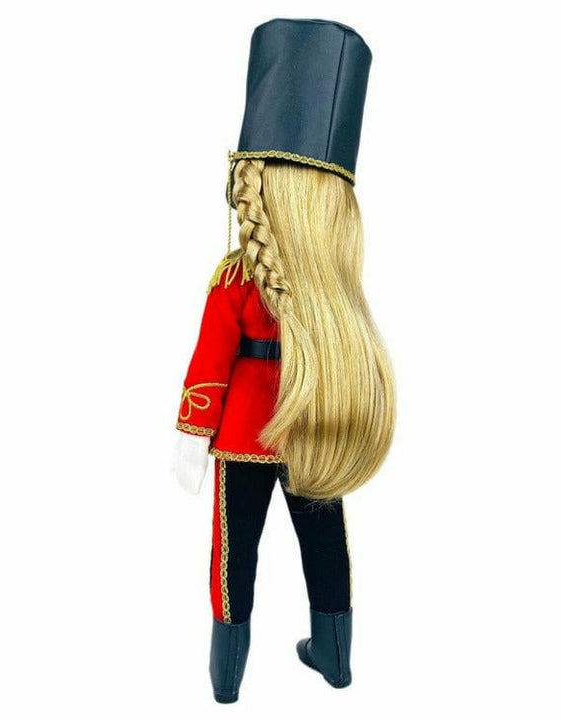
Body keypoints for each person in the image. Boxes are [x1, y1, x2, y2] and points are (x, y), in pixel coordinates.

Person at [172, 18, 396, 703]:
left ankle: (226, 678)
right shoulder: (337, 286)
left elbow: (210, 363)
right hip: (315, 430)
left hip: (243, 435)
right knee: (325, 547)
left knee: (234, 555)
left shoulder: (237, 277)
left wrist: (191, 433)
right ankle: (335, 656)